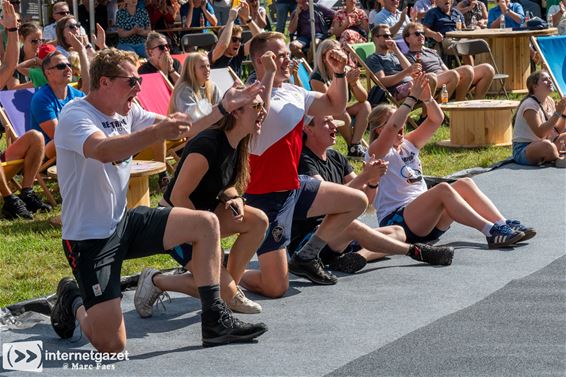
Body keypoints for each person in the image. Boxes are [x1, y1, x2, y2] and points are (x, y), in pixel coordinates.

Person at [50, 48, 267, 351]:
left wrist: (222, 108)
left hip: (124, 222)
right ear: (104, 83)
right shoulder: (76, 114)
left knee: (205, 224)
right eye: (132, 81)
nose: (139, 88)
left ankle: (215, 322)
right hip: (89, 238)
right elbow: (104, 151)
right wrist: (155, 133)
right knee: (110, 344)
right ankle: (73, 298)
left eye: (140, 80)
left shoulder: (128, 110)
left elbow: (184, 129)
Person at [240, 32, 368, 298]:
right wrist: (269, 75)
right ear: (260, 60)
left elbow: (335, 105)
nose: (287, 60)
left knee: (356, 201)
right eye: (280, 55)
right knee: (275, 288)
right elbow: (257, 118)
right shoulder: (245, 94)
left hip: (294, 188)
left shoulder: (295, 91)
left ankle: (307, 255)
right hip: (265, 199)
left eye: (288, 54)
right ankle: (220, 271)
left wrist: (339, 74)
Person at [135, 90, 268, 316]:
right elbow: (178, 197)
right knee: (210, 287)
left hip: (203, 218)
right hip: (173, 223)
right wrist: (208, 235)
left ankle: (229, 289)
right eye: (257, 107)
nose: (263, 112)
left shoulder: (237, 142)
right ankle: (156, 280)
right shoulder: (208, 143)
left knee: (258, 221)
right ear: (235, 112)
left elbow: (224, 183)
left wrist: (233, 197)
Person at [367, 73, 535, 250]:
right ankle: (491, 232)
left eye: (401, 119)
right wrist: (411, 98)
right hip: (398, 222)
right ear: (379, 130)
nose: (400, 124)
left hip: (426, 219)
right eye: (395, 120)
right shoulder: (376, 151)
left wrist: (428, 98)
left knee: (465, 183)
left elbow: (436, 119)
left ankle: (503, 224)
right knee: (442, 190)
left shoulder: (409, 144)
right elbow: (393, 127)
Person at [289, 114, 454, 273]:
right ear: (308, 130)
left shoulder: (336, 157)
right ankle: (416, 252)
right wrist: (364, 177)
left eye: (333, 121)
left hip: (340, 232)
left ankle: (356, 257)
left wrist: (373, 181)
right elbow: (327, 201)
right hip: (310, 240)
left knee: (398, 231)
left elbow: (365, 200)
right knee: (353, 226)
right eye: (326, 122)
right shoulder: (304, 160)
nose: (334, 126)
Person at [29, 36, 90, 159]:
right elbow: (58, 135)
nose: (68, 68)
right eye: (61, 66)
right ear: (48, 72)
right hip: (50, 153)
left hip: (79, 144)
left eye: (69, 65)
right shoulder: (41, 99)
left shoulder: (78, 95)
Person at [310, 39, 371, 158]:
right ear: (324, 58)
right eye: (333, 54)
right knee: (340, 111)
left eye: (339, 52)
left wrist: (353, 84)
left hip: (339, 111)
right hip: (323, 115)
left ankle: (356, 144)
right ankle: (351, 146)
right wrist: (341, 80)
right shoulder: (317, 77)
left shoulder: (346, 70)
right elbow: (328, 102)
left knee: (366, 105)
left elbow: (363, 98)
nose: (338, 56)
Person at [403, 22, 494, 101]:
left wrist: (453, 77)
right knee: (467, 70)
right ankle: (459, 106)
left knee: (487, 69)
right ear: (407, 39)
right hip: (432, 80)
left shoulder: (432, 52)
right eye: (417, 33)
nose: (421, 36)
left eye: (422, 33)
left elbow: (445, 70)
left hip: (447, 78)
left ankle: (477, 106)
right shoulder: (408, 56)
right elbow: (414, 76)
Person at [512, 71, 566, 166]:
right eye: (545, 79)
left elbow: (556, 131)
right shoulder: (529, 105)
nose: (550, 81)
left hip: (546, 142)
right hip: (524, 149)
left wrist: (564, 114)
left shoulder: (549, 101)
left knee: (551, 144)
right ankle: (558, 159)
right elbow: (541, 133)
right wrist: (557, 113)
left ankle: (554, 157)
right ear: (535, 86)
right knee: (547, 146)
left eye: (550, 79)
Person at [208, 3, 261, 77]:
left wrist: (248, 18)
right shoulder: (215, 55)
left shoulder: (239, 53)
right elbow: (223, 45)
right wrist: (231, 19)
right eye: (234, 39)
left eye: (240, 40)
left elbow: (260, 39)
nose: (238, 43)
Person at [169, 51, 220, 120]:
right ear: (192, 70)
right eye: (202, 67)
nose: (207, 69)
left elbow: (220, 107)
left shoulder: (212, 86)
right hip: (187, 128)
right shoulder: (184, 90)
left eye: (208, 66)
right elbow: (192, 117)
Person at [7, 22, 41, 89]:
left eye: (41, 40)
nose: (38, 44)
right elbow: (12, 88)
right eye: (34, 41)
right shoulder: (14, 60)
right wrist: (38, 81)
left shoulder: (45, 58)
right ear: (22, 38)